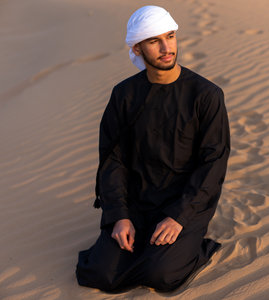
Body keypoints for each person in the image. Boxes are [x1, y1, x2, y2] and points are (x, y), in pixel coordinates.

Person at [76, 5, 230, 293]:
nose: (165, 47)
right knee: (99, 274)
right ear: (137, 48)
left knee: (161, 276)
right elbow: (112, 160)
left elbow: (213, 163)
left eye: (170, 36)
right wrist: (119, 215)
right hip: (137, 201)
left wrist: (179, 216)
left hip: (184, 203)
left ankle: (195, 247)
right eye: (153, 41)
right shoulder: (124, 95)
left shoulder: (206, 95)